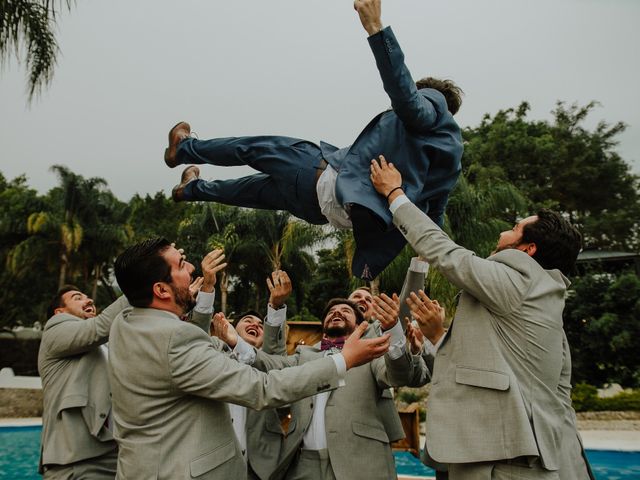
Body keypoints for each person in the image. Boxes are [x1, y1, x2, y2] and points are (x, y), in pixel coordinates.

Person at [165, 0, 463, 280]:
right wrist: (425, 261)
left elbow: (405, 96)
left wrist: (376, 27)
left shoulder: (432, 107)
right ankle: (190, 190)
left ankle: (184, 149)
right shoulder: (449, 166)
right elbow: (432, 221)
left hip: (316, 175)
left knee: (251, 148)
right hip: (318, 209)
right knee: (247, 193)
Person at [370, 155, 587, 478]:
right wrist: (439, 336)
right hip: (510, 454)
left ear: (527, 250)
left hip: (503, 459)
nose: (503, 231)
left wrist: (394, 195)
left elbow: (446, 253)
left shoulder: (521, 279)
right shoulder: (543, 300)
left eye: (515, 229)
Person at [107, 238, 390, 479]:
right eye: (181, 266)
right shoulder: (175, 339)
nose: (192, 268)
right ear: (161, 290)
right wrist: (344, 360)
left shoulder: (125, 323)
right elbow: (262, 387)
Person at [220, 294, 429, 480]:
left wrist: (393, 328)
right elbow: (271, 364)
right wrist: (236, 342)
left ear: (359, 326)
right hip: (303, 465)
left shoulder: (370, 353)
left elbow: (399, 375)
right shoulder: (304, 355)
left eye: (345, 310)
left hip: (360, 461)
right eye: (331, 312)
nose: (337, 312)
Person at [38, 287, 129, 479]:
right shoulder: (55, 330)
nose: (89, 301)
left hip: (114, 453)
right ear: (59, 312)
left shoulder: (105, 344)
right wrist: (142, 283)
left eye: (89, 297)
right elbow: (100, 327)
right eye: (77, 298)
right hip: (76, 460)